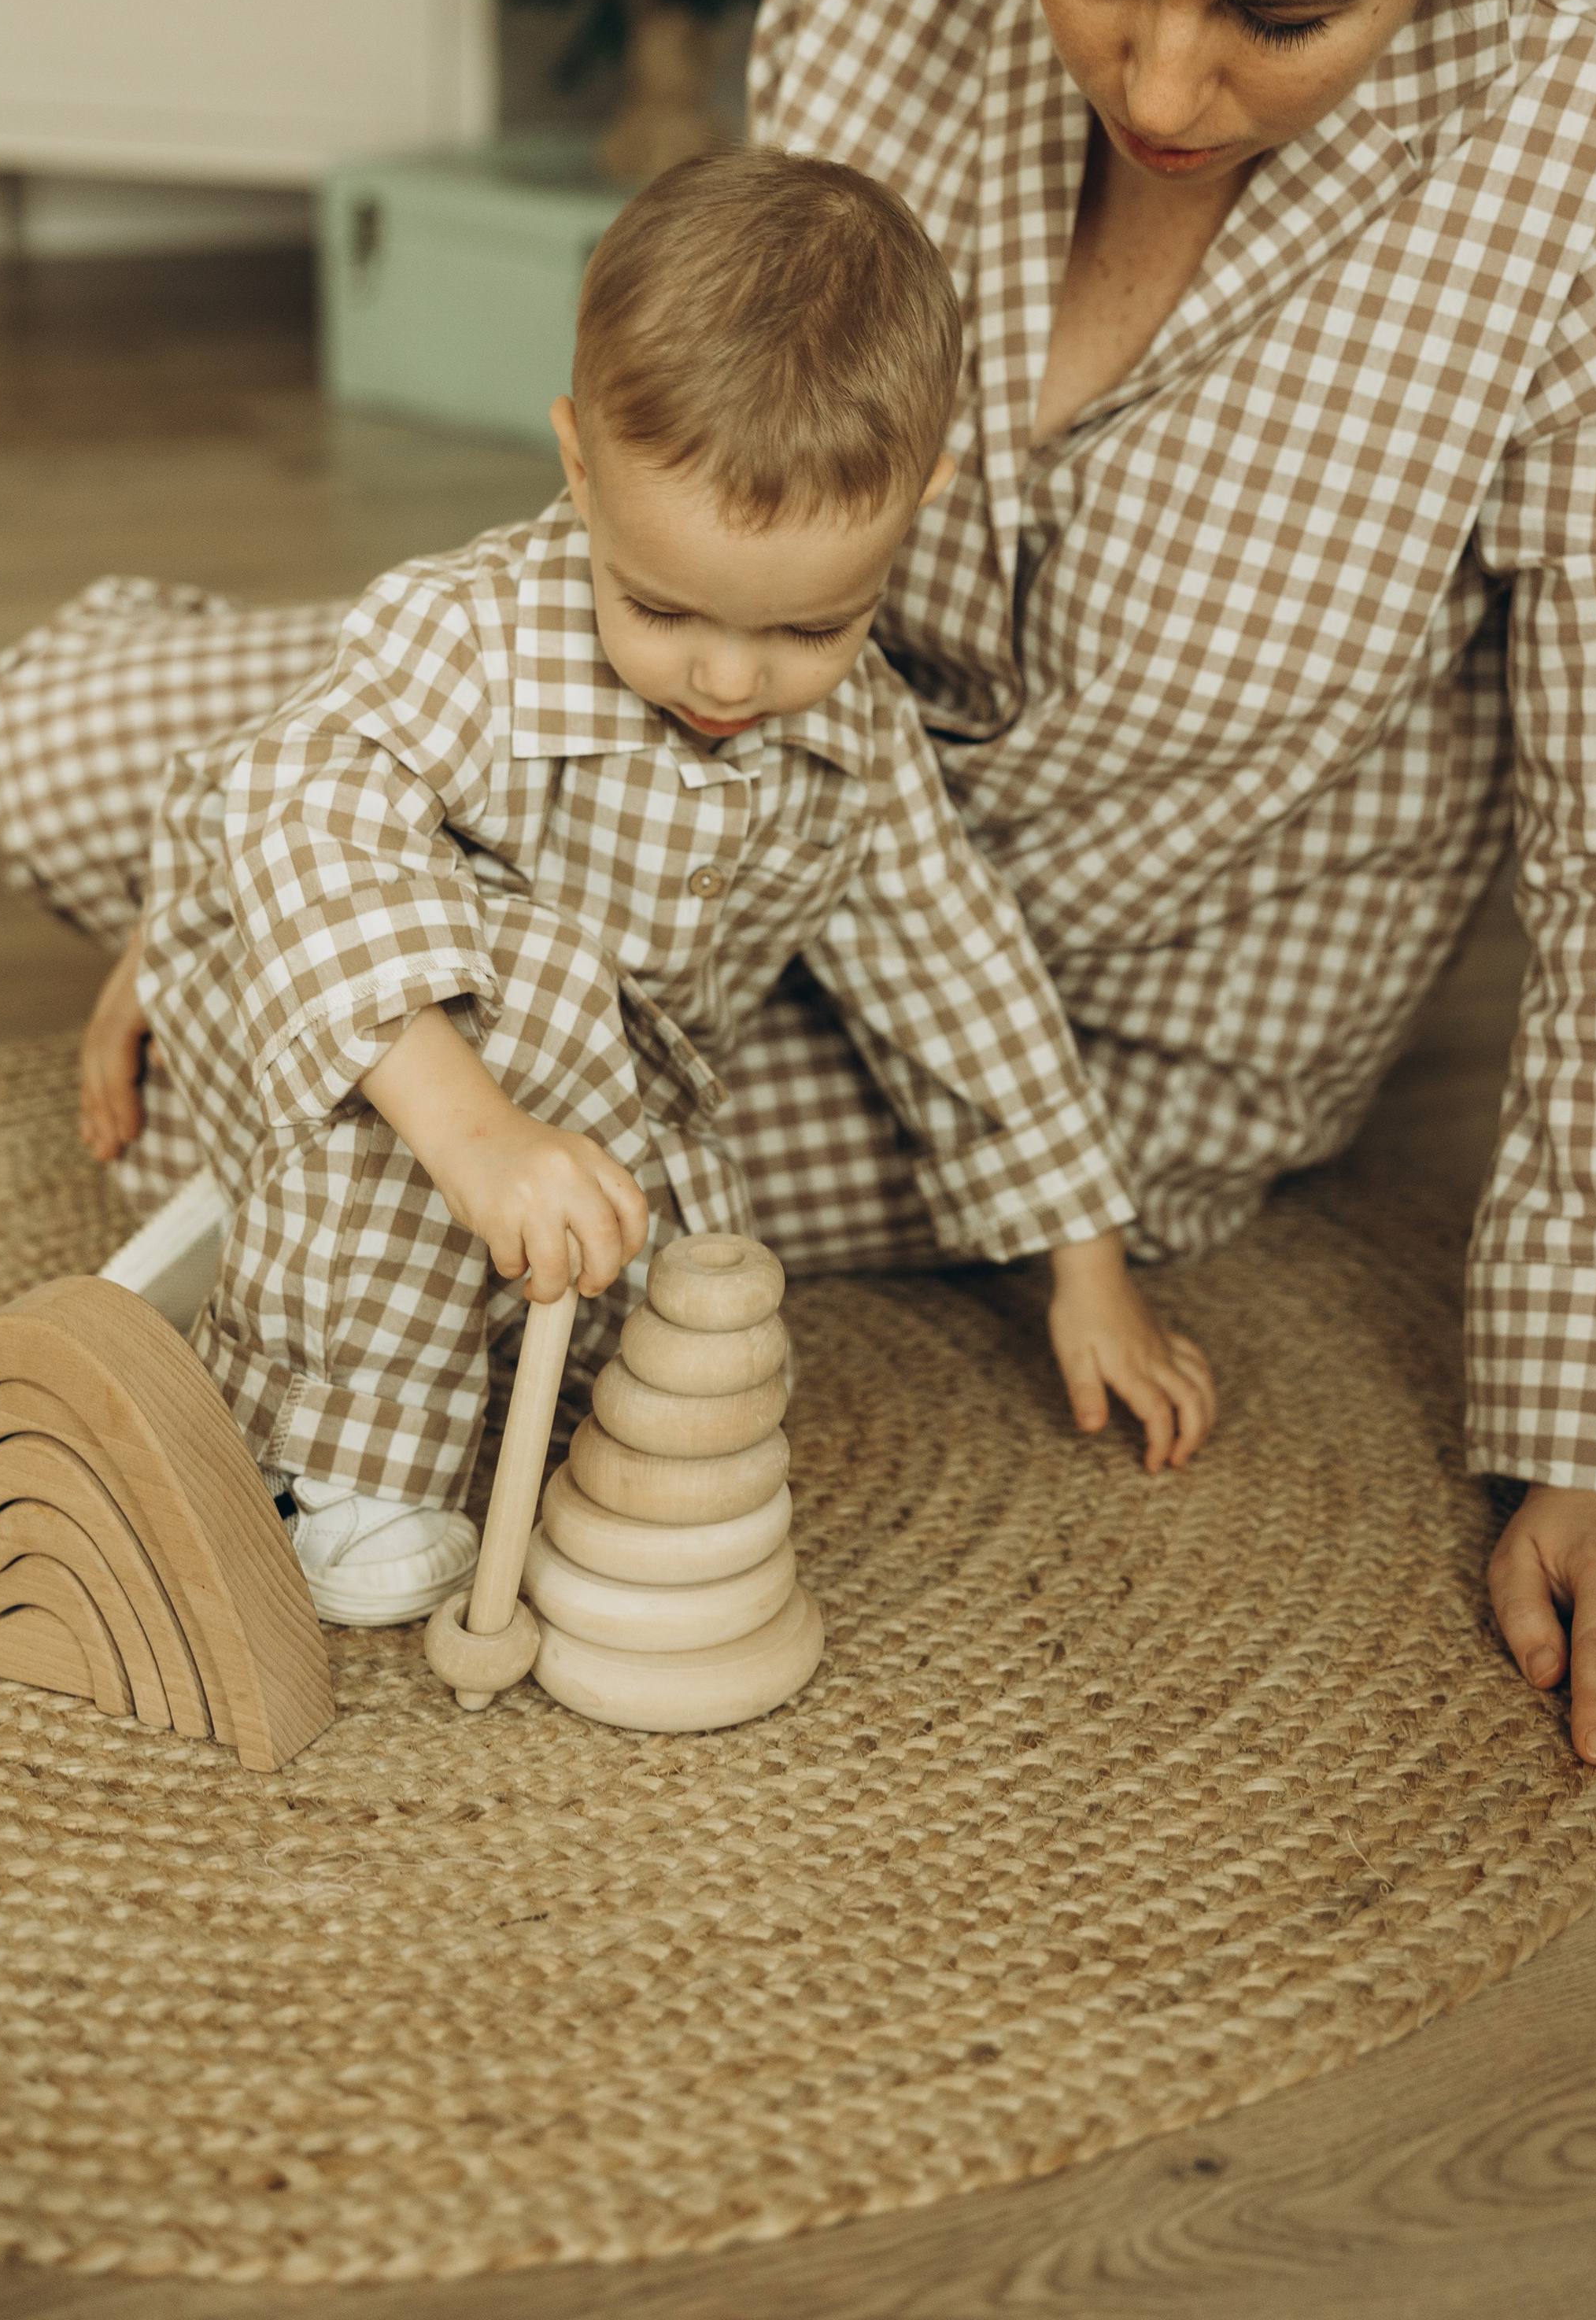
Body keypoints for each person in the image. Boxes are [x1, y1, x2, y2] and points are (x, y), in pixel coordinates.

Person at [0, 0, 1596, 1782]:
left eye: (1280, 21)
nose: (1161, 78)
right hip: (686, 775)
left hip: (1100, 988)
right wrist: (269, 854)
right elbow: (704, 493)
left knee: (459, 1164)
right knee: (59, 734)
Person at [87, 150, 1213, 1624]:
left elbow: (956, 966)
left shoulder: (854, 738)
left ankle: (479, 1314)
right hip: (333, 1035)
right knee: (541, 994)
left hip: (600, 1090)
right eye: (662, 608)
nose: (732, 680)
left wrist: (1086, 1258)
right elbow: (302, 816)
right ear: (576, 458)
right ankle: (330, 1458)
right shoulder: (464, 632)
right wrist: (475, 1132)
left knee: (702, 1314)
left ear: (920, 504)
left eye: (813, 625)